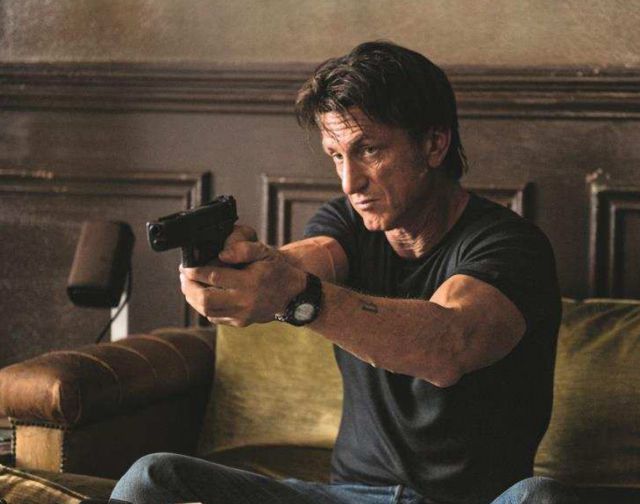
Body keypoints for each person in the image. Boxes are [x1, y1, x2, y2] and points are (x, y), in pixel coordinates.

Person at [111, 41, 574, 504]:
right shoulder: (348, 223)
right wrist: (244, 266)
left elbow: (447, 345)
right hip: (348, 498)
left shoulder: (511, 246)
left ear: (434, 144)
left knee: (539, 496)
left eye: (368, 150)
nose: (351, 183)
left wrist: (297, 296)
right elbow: (306, 258)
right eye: (336, 155)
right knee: (153, 476)